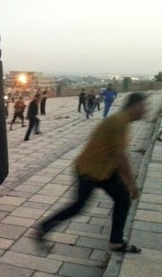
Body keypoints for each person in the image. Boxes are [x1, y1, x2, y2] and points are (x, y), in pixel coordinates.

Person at [36, 92, 148, 253]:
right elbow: (121, 157)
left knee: (121, 199)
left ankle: (116, 241)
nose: (146, 110)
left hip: (102, 170)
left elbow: (116, 155)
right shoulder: (119, 122)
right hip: (90, 171)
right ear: (135, 106)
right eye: (144, 106)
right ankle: (43, 227)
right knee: (80, 206)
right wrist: (132, 185)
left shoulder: (121, 121)